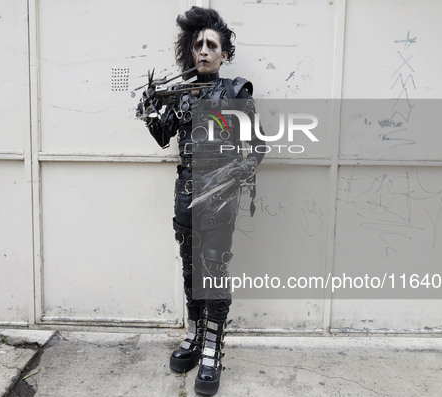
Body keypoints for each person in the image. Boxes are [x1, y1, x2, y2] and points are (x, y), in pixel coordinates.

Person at [136, 6, 264, 395]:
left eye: (212, 45)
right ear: (191, 52)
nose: (204, 51)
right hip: (186, 196)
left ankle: (212, 351)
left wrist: (239, 172)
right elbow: (163, 135)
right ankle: (193, 339)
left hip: (221, 200)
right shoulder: (182, 95)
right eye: (198, 45)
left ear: (225, 54)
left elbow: (258, 145)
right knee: (192, 270)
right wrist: (147, 109)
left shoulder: (235, 93)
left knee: (214, 271)